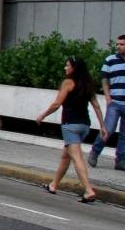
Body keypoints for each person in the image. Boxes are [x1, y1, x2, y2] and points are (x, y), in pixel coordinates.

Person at [38, 56, 107, 203]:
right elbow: (96, 106)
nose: (65, 68)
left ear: (74, 68)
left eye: (67, 65)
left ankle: (88, 190)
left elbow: (57, 104)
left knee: (77, 158)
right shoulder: (87, 84)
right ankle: (53, 185)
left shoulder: (68, 82)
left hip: (70, 126)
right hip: (84, 126)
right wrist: (102, 126)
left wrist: (43, 115)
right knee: (66, 156)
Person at [88, 34, 125, 171]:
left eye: (122, 44)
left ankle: (120, 160)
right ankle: (95, 152)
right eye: (118, 44)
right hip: (114, 102)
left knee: (124, 134)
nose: (118, 46)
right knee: (108, 129)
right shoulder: (110, 60)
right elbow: (104, 80)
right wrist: (108, 97)